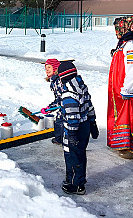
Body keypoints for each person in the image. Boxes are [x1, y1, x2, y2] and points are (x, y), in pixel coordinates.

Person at [49, 61, 98, 195]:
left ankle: (75, 185)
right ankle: (78, 180)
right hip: (85, 126)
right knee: (80, 154)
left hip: (74, 129)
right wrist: (93, 124)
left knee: (72, 156)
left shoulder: (68, 94)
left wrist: (71, 135)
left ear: (62, 77)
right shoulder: (82, 87)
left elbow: (72, 117)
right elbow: (90, 107)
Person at [107, 16, 133, 159]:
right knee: (122, 116)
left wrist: (127, 89)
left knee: (131, 118)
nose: (117, 32)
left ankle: (132, 148)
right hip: (119, 90)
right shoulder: (124, 44)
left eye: (119, 28)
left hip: (129, 91)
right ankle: (123, 144)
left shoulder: (132, 46)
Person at [41, 58, 63, 145]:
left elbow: (61, 98)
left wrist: (49, 108)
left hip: (66, 105)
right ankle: (59, 138)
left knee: (60, 120)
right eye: (46, 68)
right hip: (63, 104)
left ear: (55, 68)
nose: (47, 70)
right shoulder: (54, 81)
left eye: (49, 67)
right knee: (59, 120)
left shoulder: (58, 81)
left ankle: (60, 139)